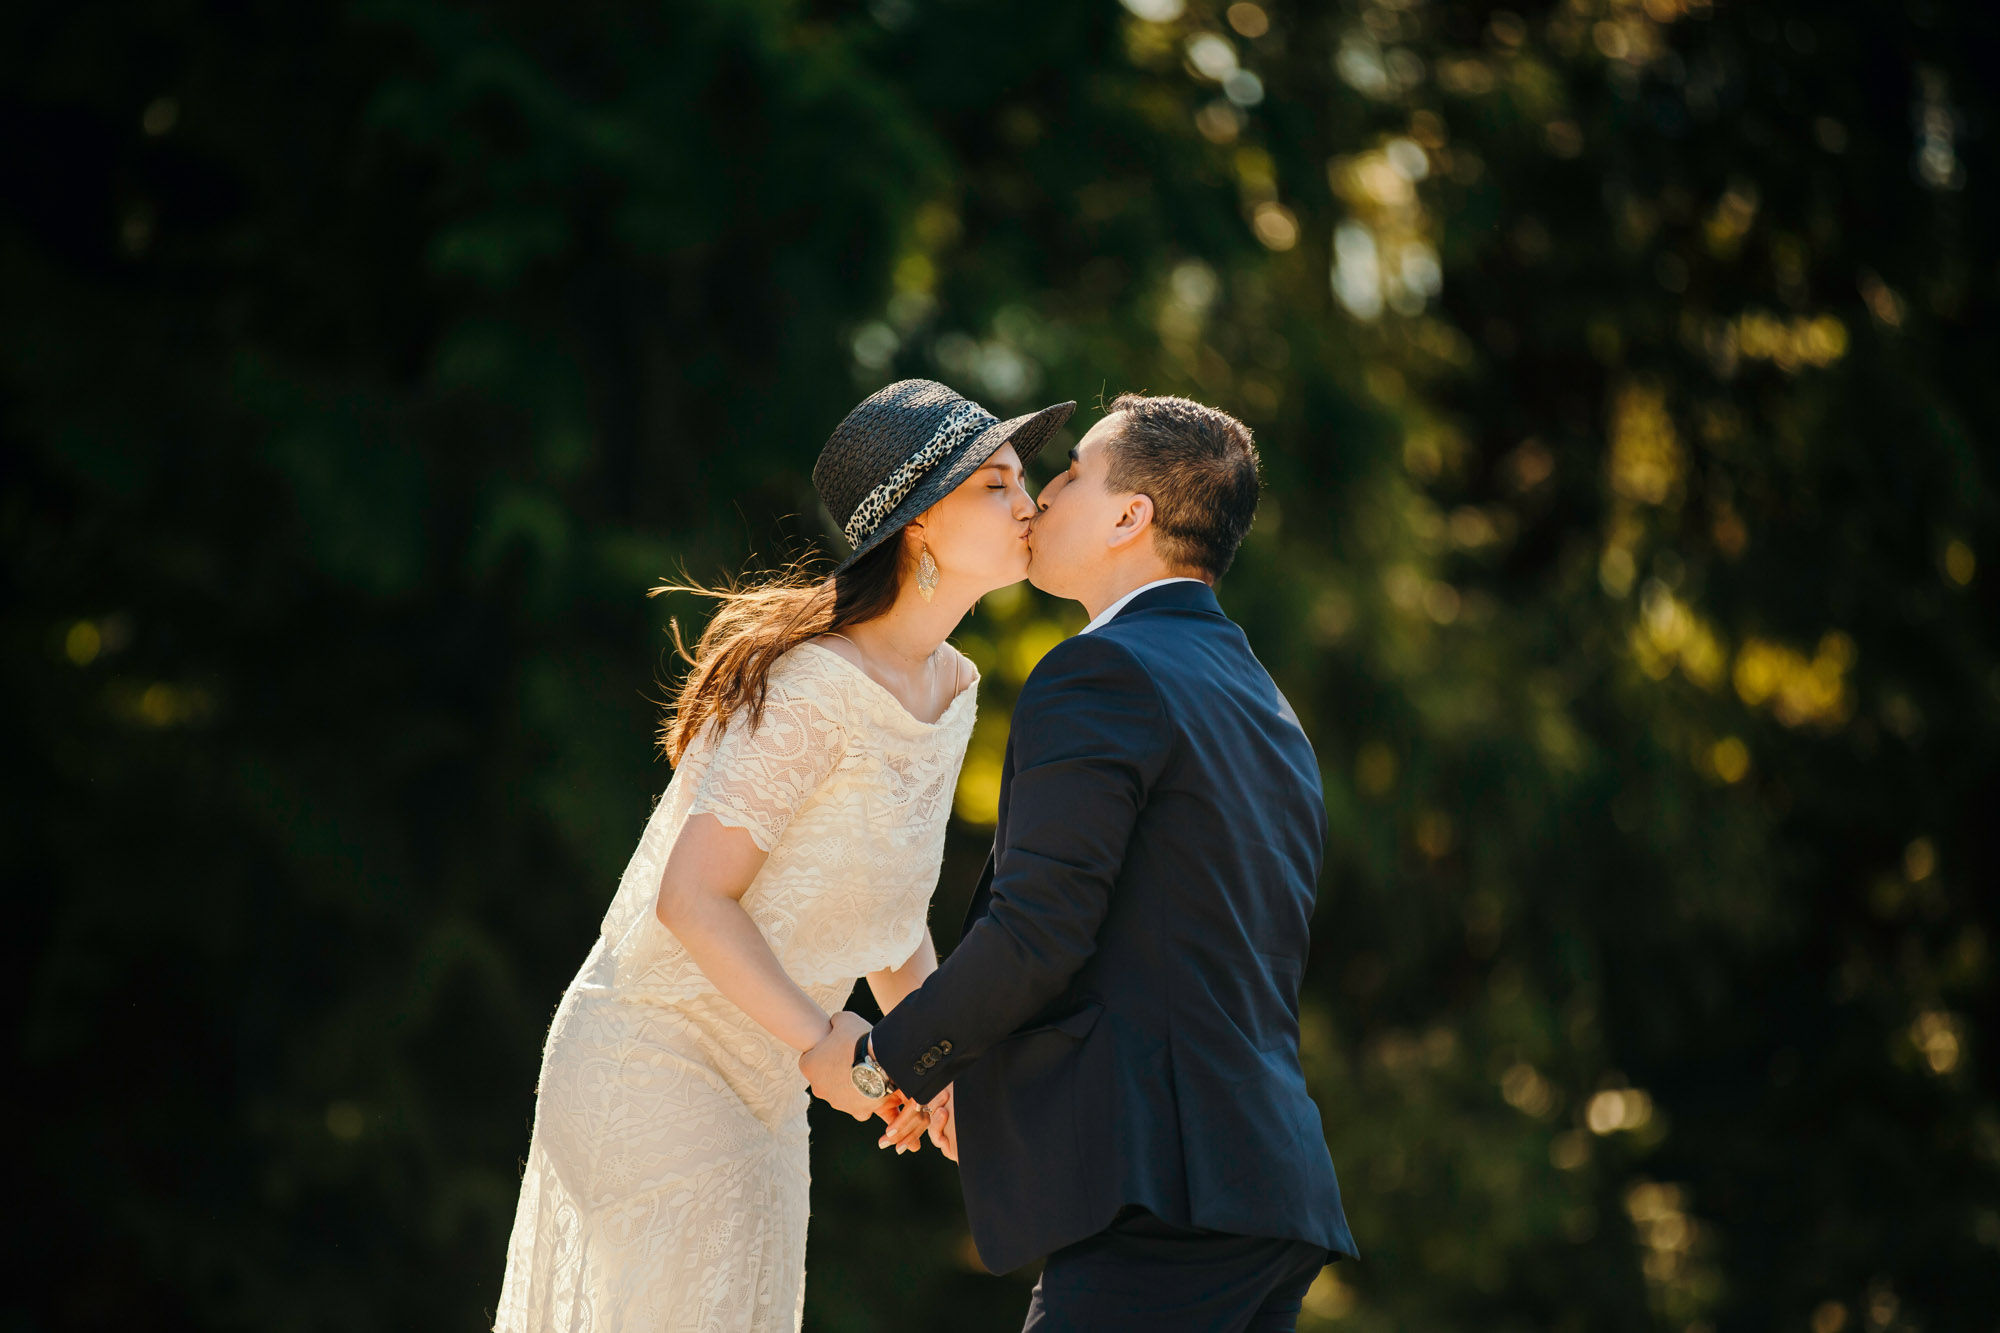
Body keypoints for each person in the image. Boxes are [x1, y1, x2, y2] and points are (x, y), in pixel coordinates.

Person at [494, 379, 1075, 1333]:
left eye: (1027, 480)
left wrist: (936, 1067)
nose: (1031, 502)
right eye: (998, 485)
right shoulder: (814, 684)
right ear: (922, 524)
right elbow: (691, 898)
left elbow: (887, 924)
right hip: (653, 1059)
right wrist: (820, 1040)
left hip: (764, 1090)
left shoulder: (953, 687)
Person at [801, 394, 1358, 1333]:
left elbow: (1039, 932)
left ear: (1129, 517)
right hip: (1266, 1190)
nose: (1041, 499)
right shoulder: (1266, 705)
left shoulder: (1102, 673)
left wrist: (877, 1063)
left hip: (1161, 1195)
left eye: (1068, 477)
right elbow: (1155, 952)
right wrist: (963, 1077)